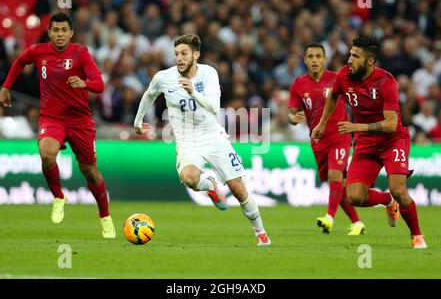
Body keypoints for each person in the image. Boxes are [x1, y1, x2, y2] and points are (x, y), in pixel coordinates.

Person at [134, 34, 271, 246]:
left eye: (184, 53)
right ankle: (210, 186)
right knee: (188, 177)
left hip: (213, 137)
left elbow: (214, 107)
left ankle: (260, 232)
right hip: (187, 141)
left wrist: (192, 92)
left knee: (238, 188)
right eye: (176, 54)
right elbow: (149, 94)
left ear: (196, 55)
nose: (179, 58)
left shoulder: (208, 74)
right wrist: (138, 121)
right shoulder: (164, 77)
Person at [0, 12, 116, 239]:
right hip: (52, 118)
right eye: (56, 30)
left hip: (80, 121)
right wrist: (6, 87)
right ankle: (59, 197)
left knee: (90, 172)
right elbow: (20, 61)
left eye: (64, 30)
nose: (60, 34)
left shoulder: (81, 53)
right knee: (47, 154)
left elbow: (100, 84)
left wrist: (84, 83)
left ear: (71, 33)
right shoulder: (38, 51)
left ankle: (105, 216)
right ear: (50, 33)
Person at [311, 36, 427, 249]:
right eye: (350, 54)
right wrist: (321, 124)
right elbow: (333, 96)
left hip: (393, 141)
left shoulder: (386, 81)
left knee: (399, 190)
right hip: (366, 144)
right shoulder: (344, 76)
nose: (349, 60)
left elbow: (391, 124)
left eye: (355, 56)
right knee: (354, 196)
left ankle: (417, 236)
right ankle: (386, 201)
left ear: (370, 61)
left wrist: (357, 127)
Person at [288, 42, 365, 235]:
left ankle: (329, 218)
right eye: (310, 56)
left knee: (334, 176)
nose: (314, 60)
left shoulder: (337, 79)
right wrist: (294, 119)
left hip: (340, 135)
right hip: (317, 140)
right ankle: (357, 223)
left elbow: (357, 100)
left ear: (325, 59)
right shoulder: (298, 84)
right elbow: (291, 113)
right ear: (305, 60)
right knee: (337, 184)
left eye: (318, 56)